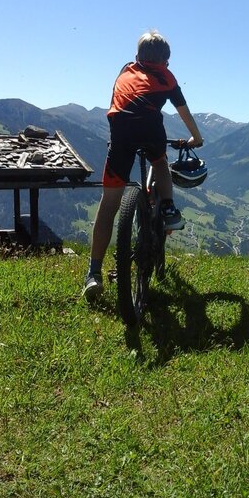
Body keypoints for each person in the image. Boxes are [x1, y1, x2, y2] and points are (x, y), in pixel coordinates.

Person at [83, 30, 203, 300]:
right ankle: (169, 208)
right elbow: (184, 112)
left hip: (121, 134)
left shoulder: (125, 71)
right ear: (166, 61)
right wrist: (196, 138)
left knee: (108, 205)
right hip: (150, 131)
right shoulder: (167, 77)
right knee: (160, 162)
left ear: (137, 56)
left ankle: (93, 273)